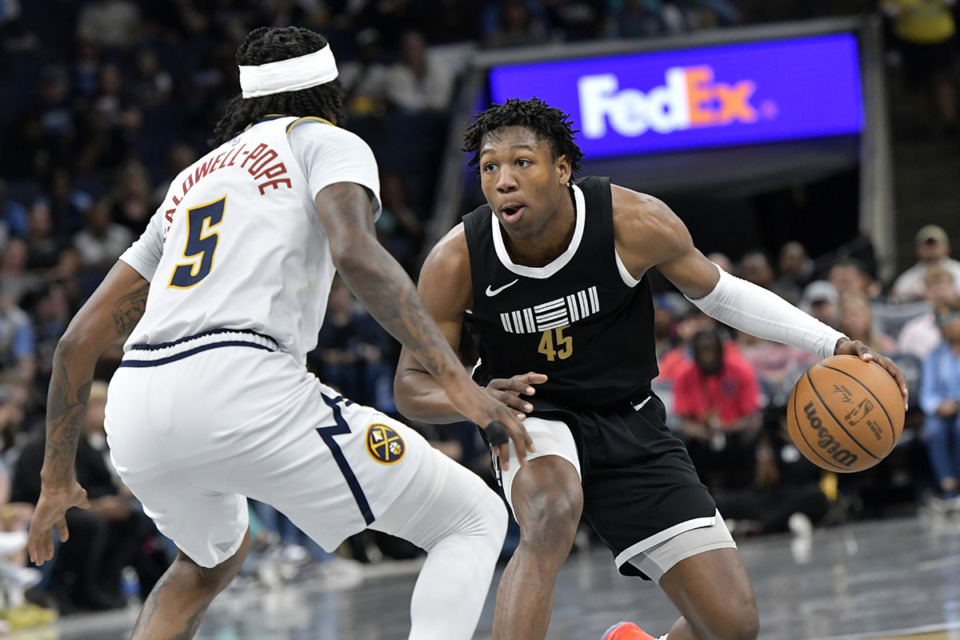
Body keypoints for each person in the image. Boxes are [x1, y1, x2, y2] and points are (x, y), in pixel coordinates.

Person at [26, 26, 528, 640]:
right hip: (241, 379)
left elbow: (77, 342)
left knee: (208, 560)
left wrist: (57, 481)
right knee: (471, 517)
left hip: (136, 401)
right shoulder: (326, 142)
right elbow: (357, 254)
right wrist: (459, 381)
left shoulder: (190, 182)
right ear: (329, 91)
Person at [394, 97, 907, 640]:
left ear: (562, 168)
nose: (503, 180)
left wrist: (832, 343)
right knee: (550, 513)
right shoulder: (457, 260)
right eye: (490, 168)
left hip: (630, 417)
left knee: (732, 627)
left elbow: (721, 295)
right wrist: (476, 399)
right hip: (535, 417)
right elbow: (410, 386)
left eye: (522, 162)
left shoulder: (631, 221)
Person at [919, 302, 960, 504]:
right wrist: (938, 406)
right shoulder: (934, 355)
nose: (948, 324)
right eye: (942, 320)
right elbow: (927, 393)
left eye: (952, 317)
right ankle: (948, 487)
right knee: (934, 429)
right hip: (944, 410)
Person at [890, 225, 960, 302]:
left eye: (935, 244)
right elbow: (894, 303)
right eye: (928, 245)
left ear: (946, 247)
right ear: (918, 249)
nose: (932, 249)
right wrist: (919, 297)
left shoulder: (958, 271)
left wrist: (953, 298)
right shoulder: (907, 279)